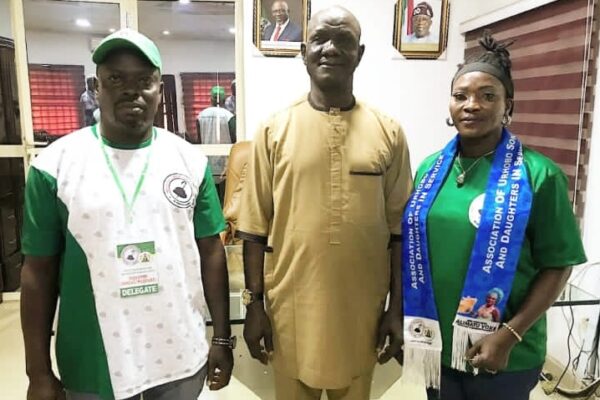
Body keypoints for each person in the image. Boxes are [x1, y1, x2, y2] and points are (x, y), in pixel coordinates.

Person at [20, 28, 234, 400]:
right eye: (116, 78)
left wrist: (221, 337)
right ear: (95, 86)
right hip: (92, 364)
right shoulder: (54, 166)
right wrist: (37, 371)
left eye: (144, 80)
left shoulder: (190, 162)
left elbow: (211, 252)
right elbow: (37, 272)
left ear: (158, 88)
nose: (131, 90)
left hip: (179, 356)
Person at [401, 31, 587, 400]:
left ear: (508, 107)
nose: (472, 105)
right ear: (450, 106)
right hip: (437, 344)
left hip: (504, 351)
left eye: (488, 96)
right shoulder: (429, 171)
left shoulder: (540, 175)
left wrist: (509, 335)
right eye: (461, 96)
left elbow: (558, 265)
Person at [238, 6, 413, 400]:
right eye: (320, 40)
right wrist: (253, 306)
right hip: (292, 309)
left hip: (363, 308)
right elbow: (252, 228)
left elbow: (402, 231)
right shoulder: (273, 130)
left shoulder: (389, 132)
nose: (330, 49)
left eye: (343, 40)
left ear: (360, 53)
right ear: (303, 51)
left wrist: (396, 308)